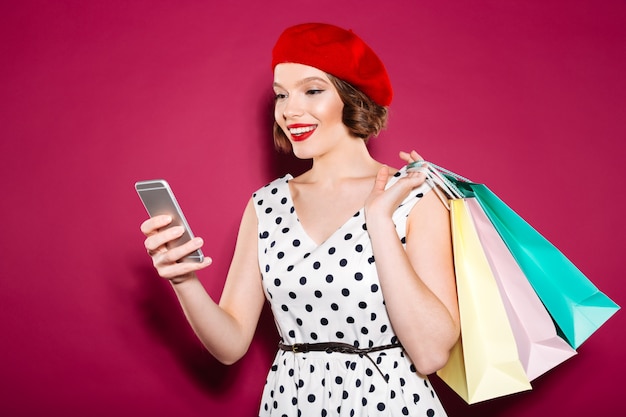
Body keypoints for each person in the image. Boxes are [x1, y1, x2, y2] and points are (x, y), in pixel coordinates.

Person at [141, 22, 460, 417]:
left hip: (389, 404)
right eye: (281, 95)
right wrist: (184, 280)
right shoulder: (266, 205)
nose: (290, 110)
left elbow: (430, 354)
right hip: (290, 404)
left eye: (312, 90)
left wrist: (378, 220)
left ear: (353, 97)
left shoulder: (413, 194)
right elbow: (230, 345)